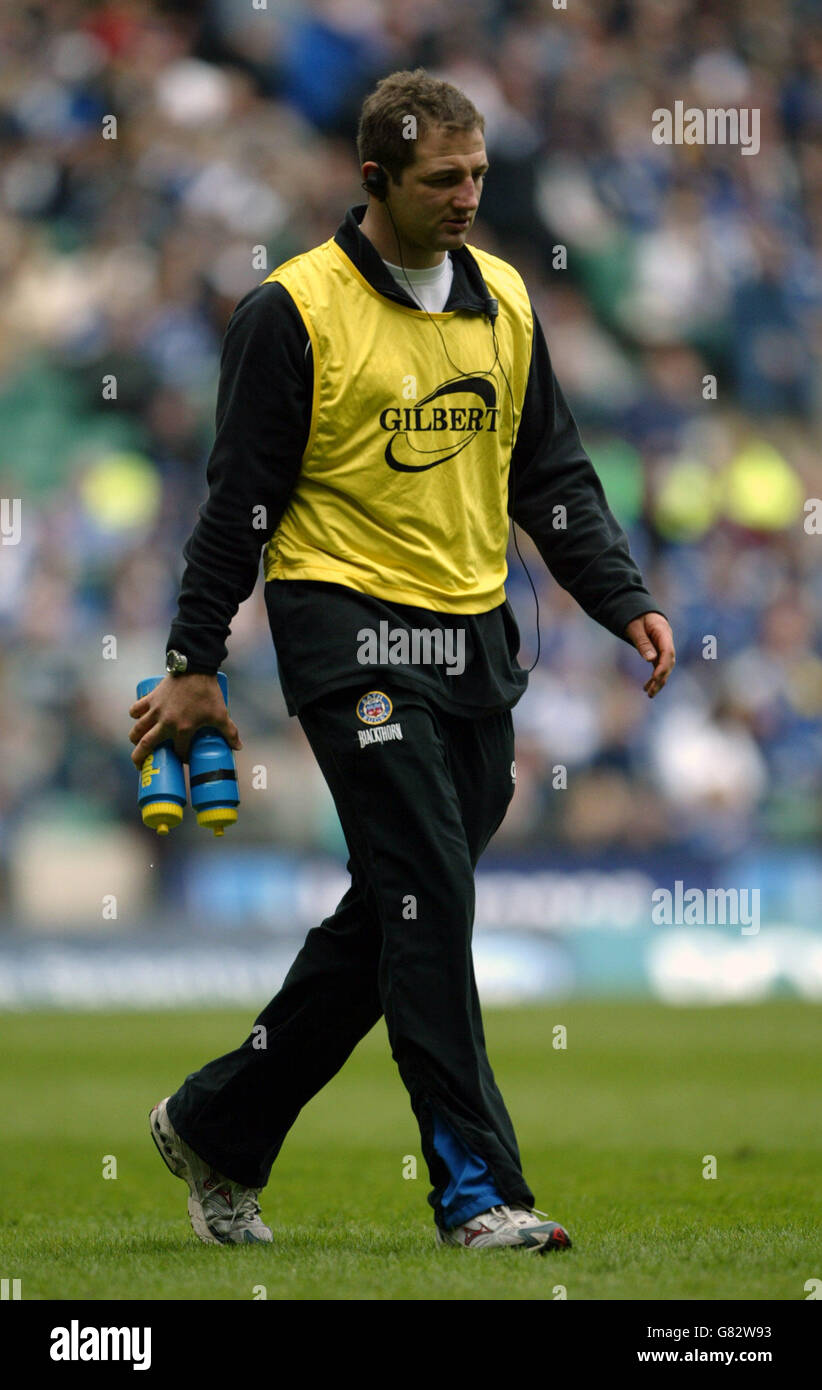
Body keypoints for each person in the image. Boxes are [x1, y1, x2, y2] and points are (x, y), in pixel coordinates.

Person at [129, 68, 675, 1253]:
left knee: (403, 905)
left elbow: (554, 477)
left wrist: (620, 597)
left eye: (478, 173)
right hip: (349, 629)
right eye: (444, 179)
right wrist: (193, 658)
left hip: (476, 635)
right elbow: (241, 505)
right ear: (374, 180)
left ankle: (220, 1122)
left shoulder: (509, 300)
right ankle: (479, 1193)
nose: (469, 196)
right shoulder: (292, 309)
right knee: (429, 888)